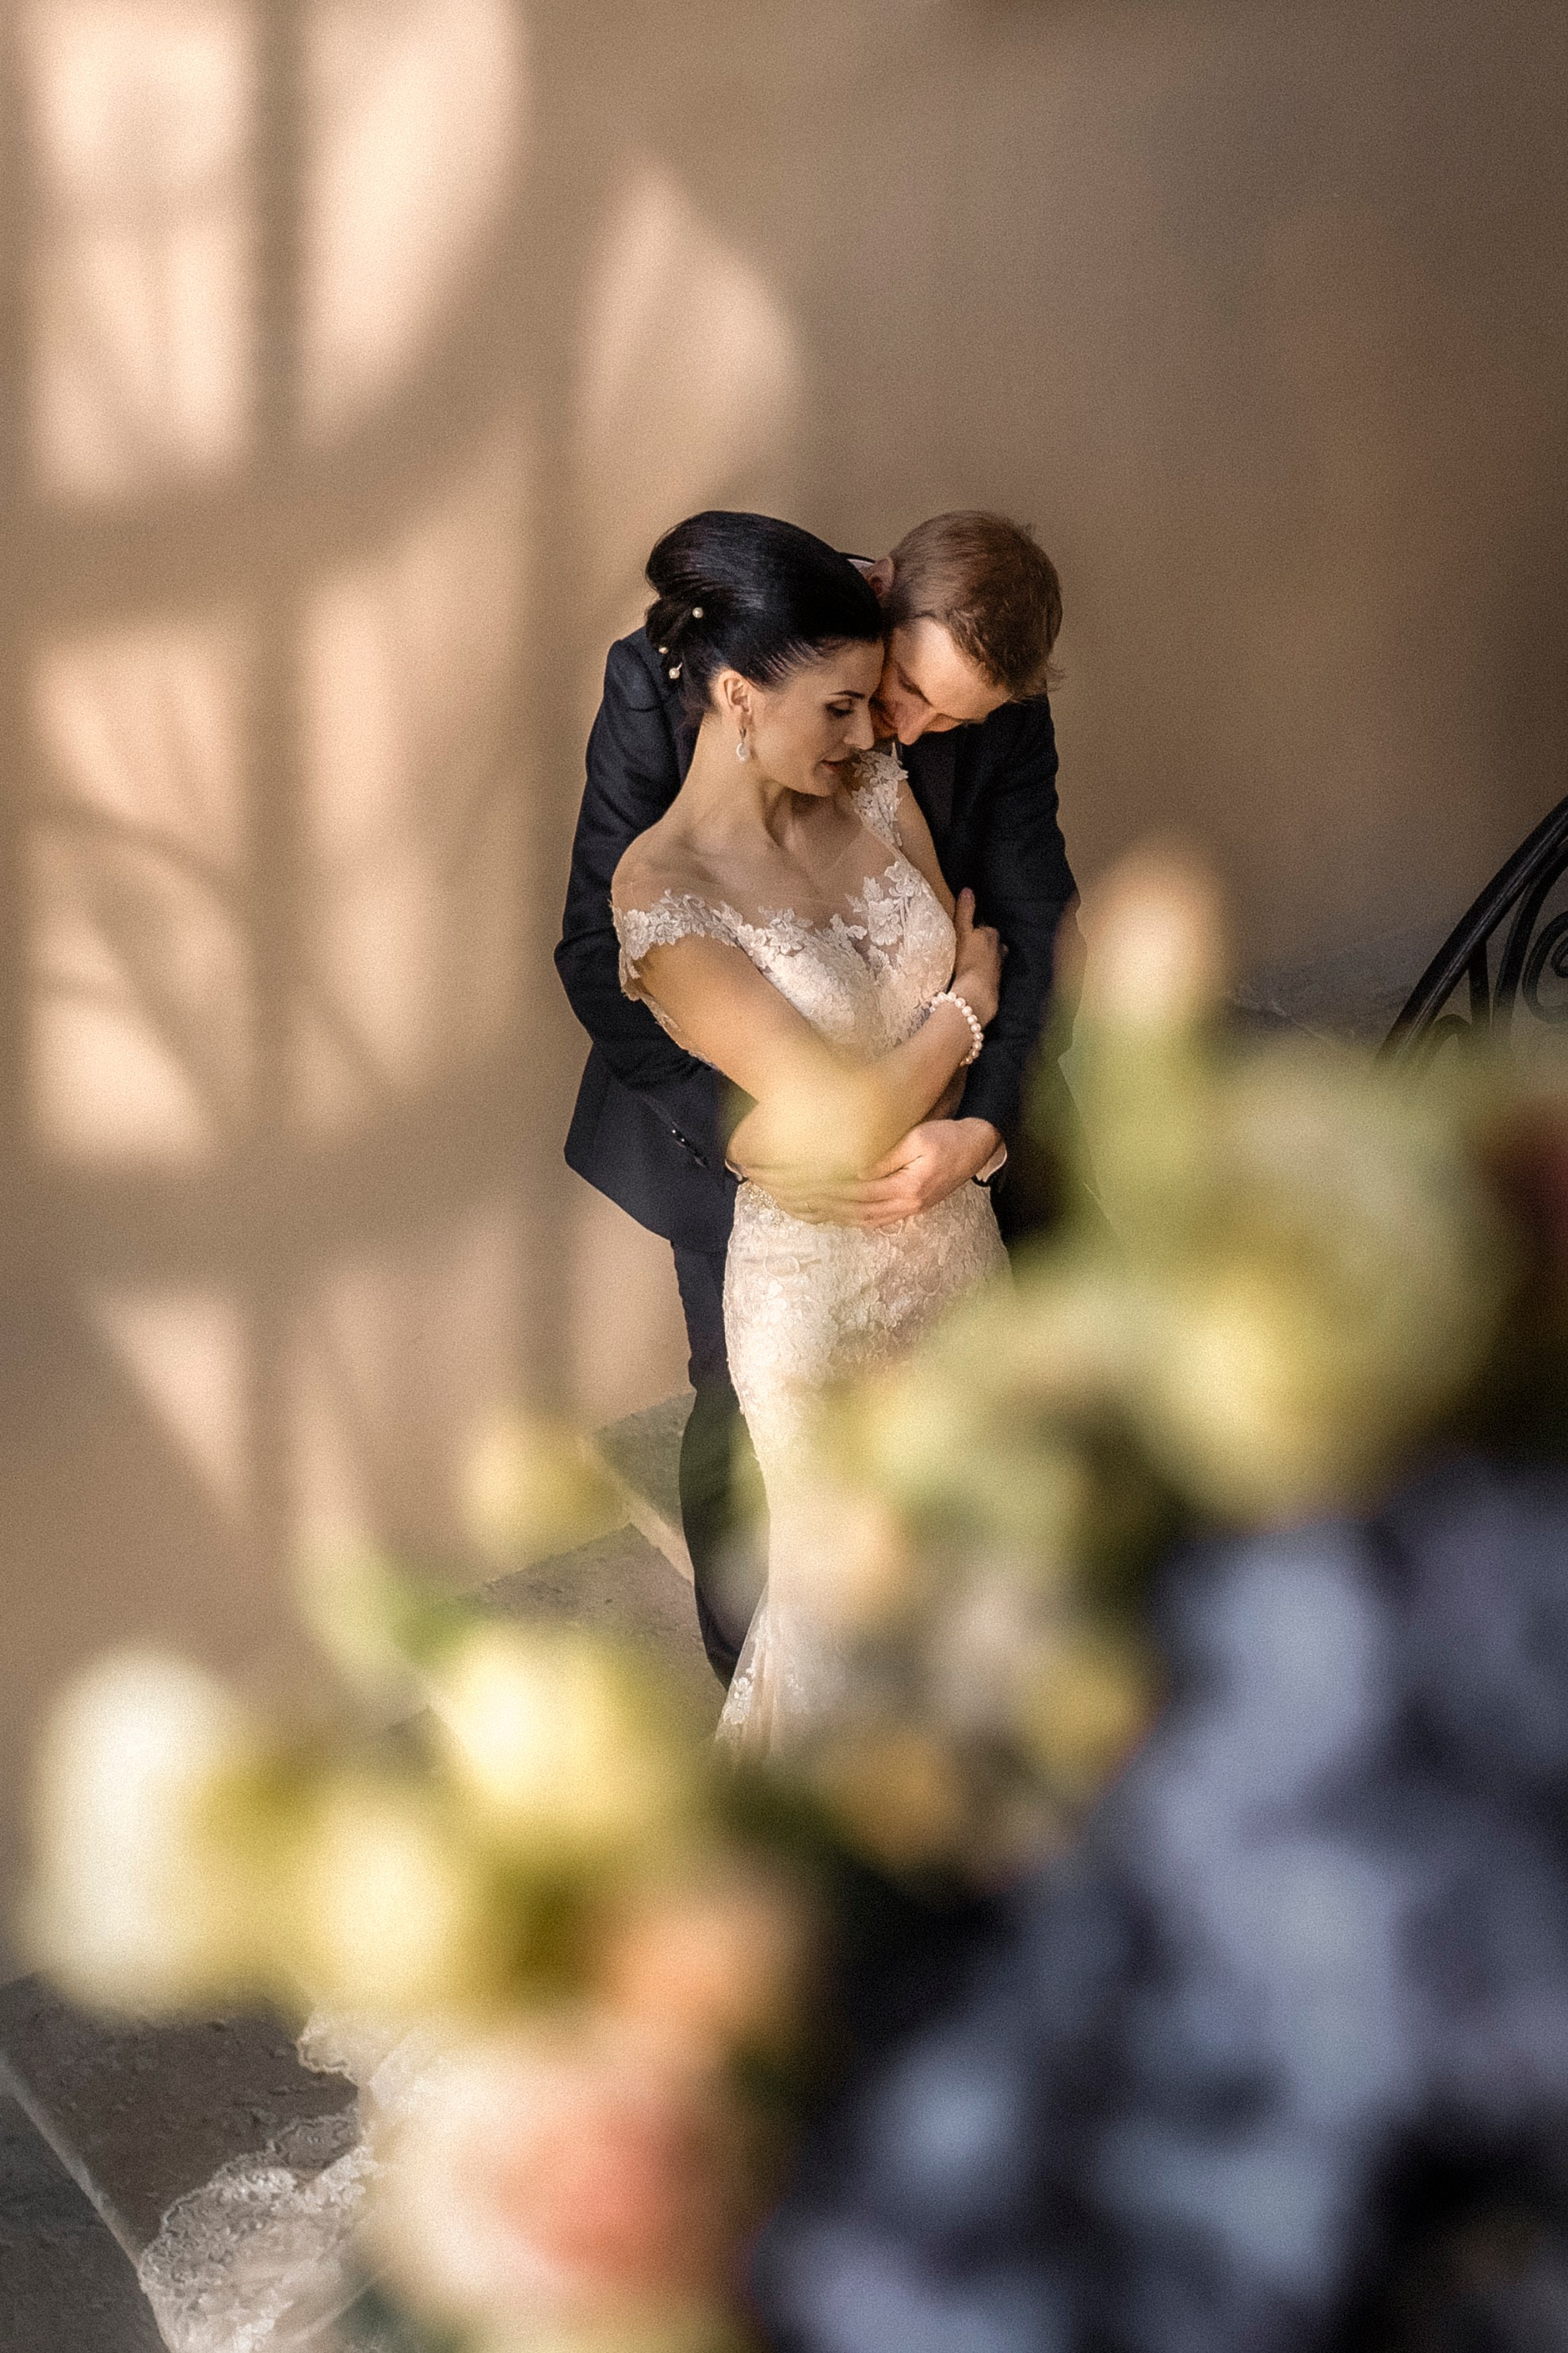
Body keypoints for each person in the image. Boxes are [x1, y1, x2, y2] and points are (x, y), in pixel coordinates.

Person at [557, 510, 1077, 1684]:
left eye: (952, 721)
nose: (906, 731)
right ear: (879, 598)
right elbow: (600, 947)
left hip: (950, 1176)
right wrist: (758, 1138)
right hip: (760, 1177)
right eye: (900, 694)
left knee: (996, 1521)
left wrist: (981, 1121)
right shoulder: (662, 683)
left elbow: (1019, 919)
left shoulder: (940, 739)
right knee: (754, 1472)